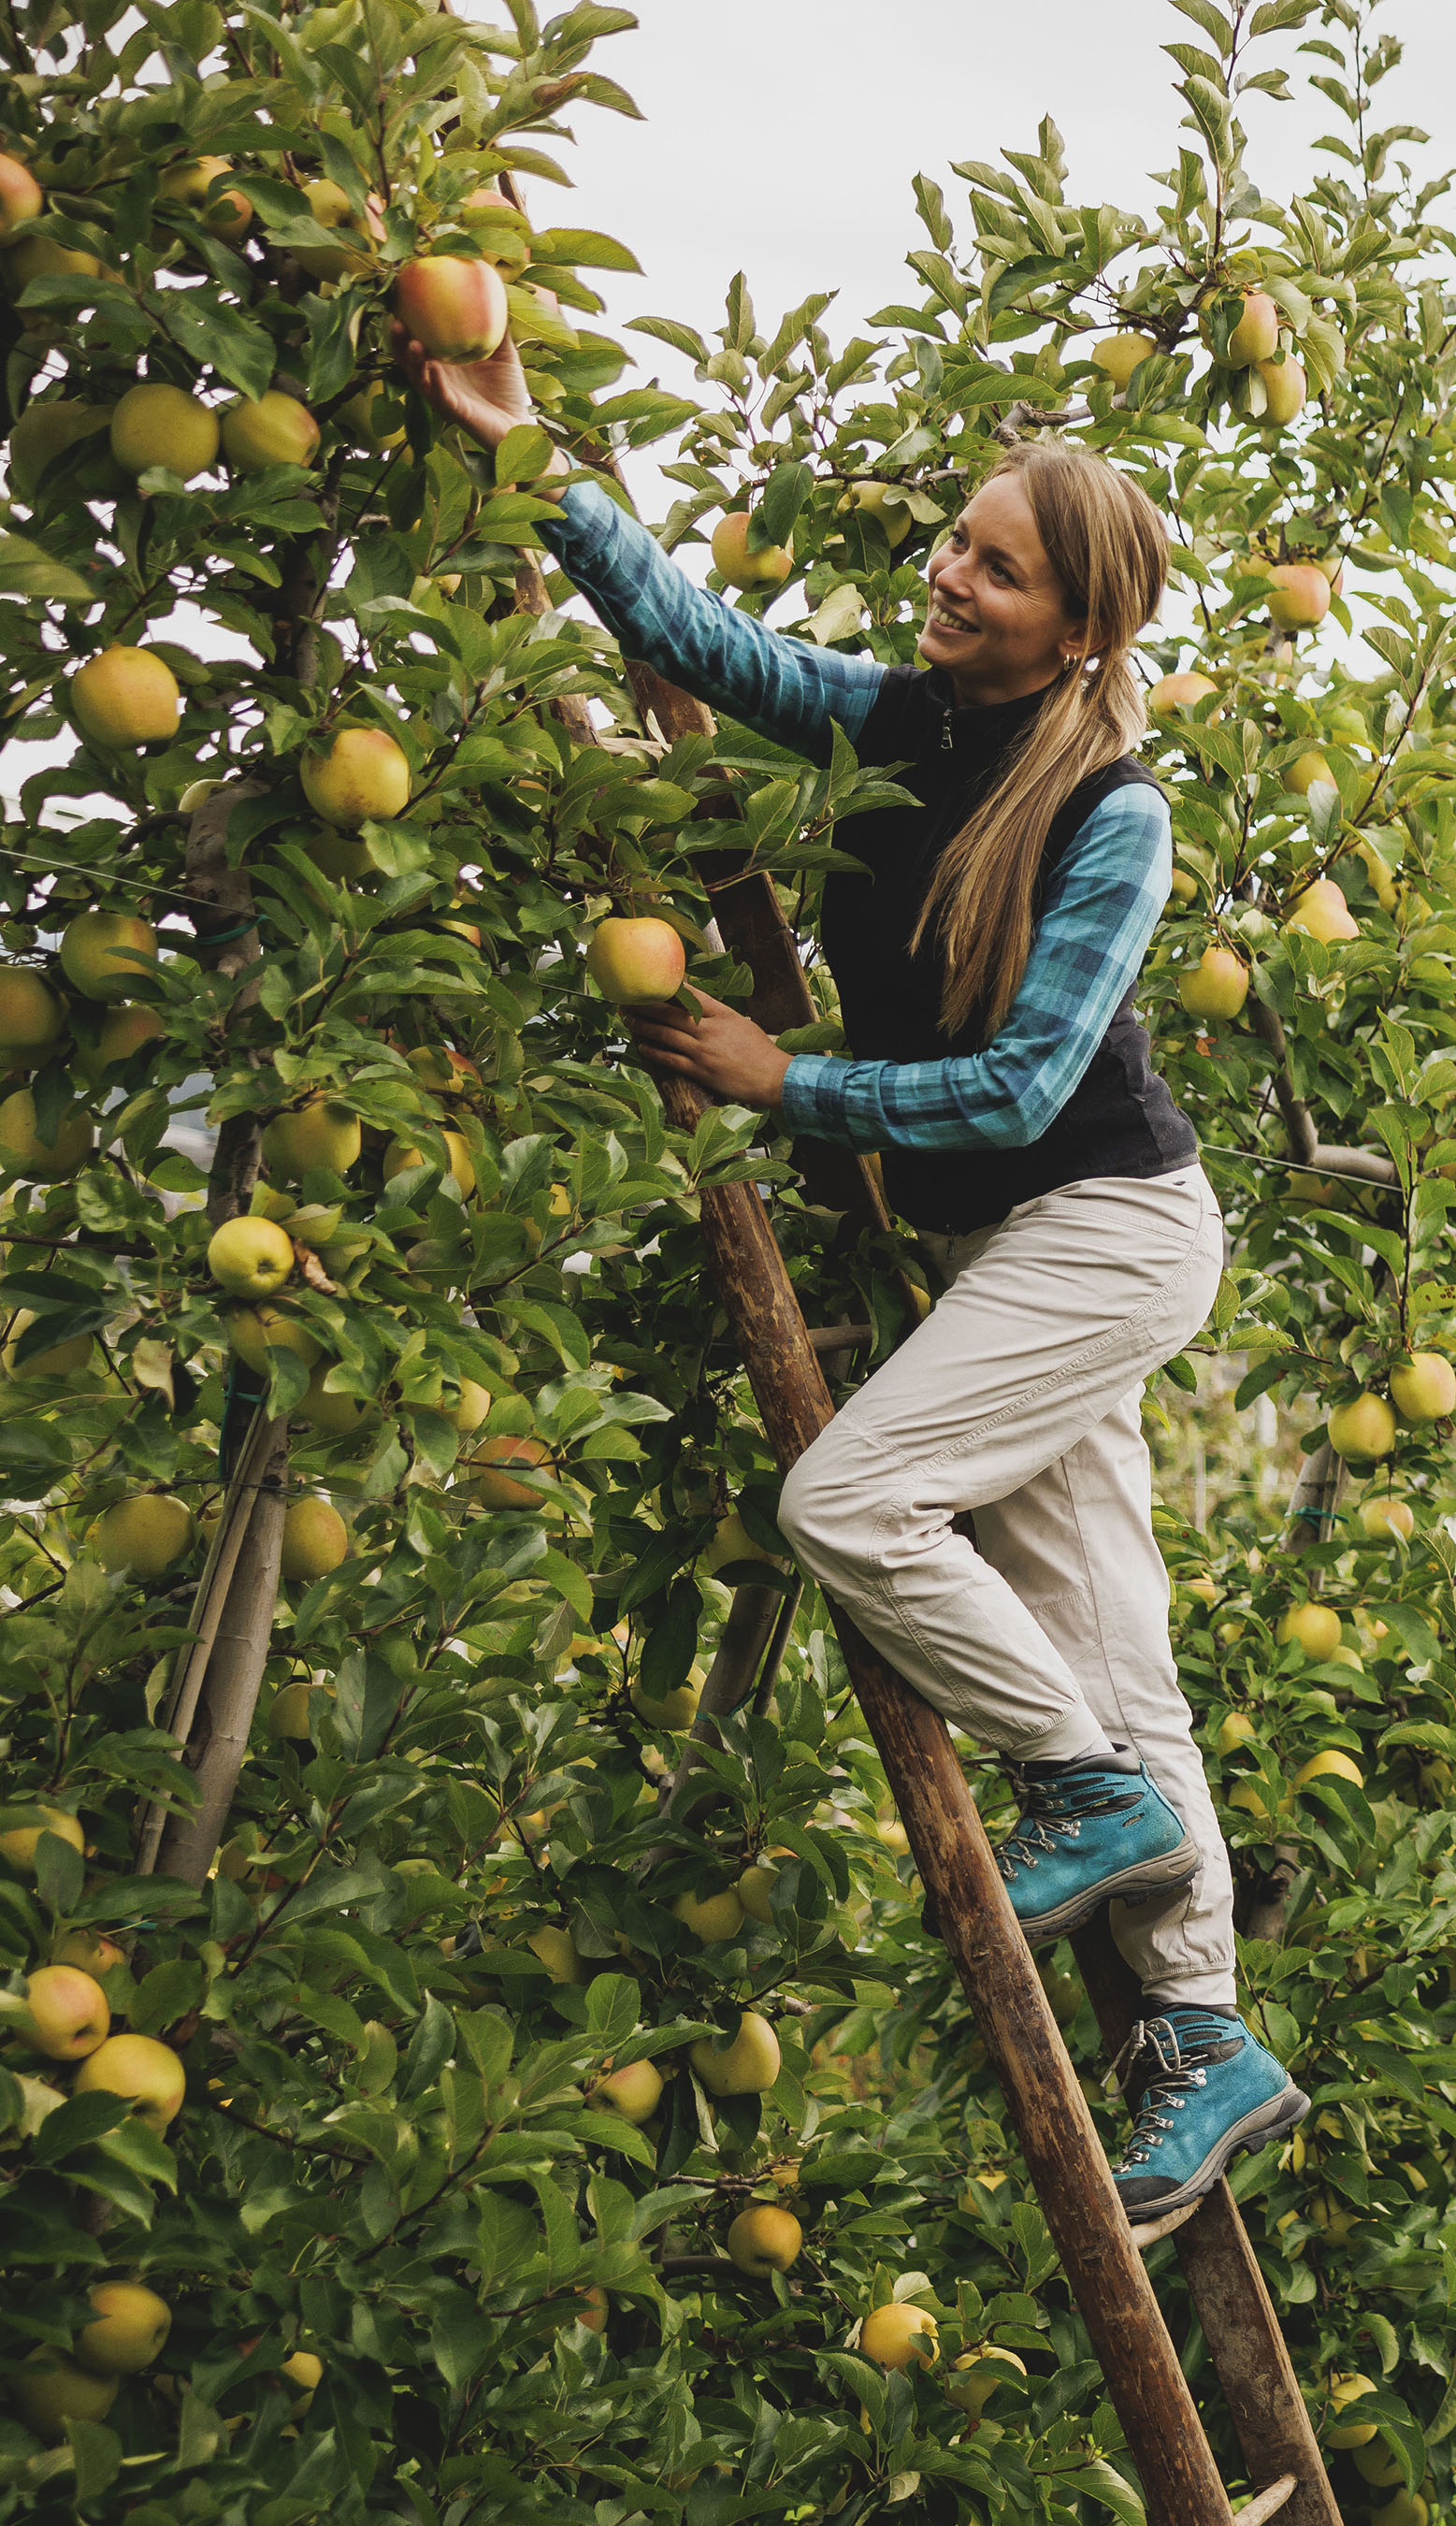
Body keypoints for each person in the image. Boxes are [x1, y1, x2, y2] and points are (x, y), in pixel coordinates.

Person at [424, 342, 1307, 2224]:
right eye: (955, 544)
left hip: (1109, 1231)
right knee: (1113, 1643)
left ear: (1080, 629)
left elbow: (1026, 1085)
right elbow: (701, 639)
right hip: (1004, 1245)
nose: (949, 576)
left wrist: (789, 1083)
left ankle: (1081, 1789)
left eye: (996, 566)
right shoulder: (900, 722)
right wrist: (532, 461)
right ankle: (1204, 2030)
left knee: (850, 1502)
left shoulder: (1112, 814)